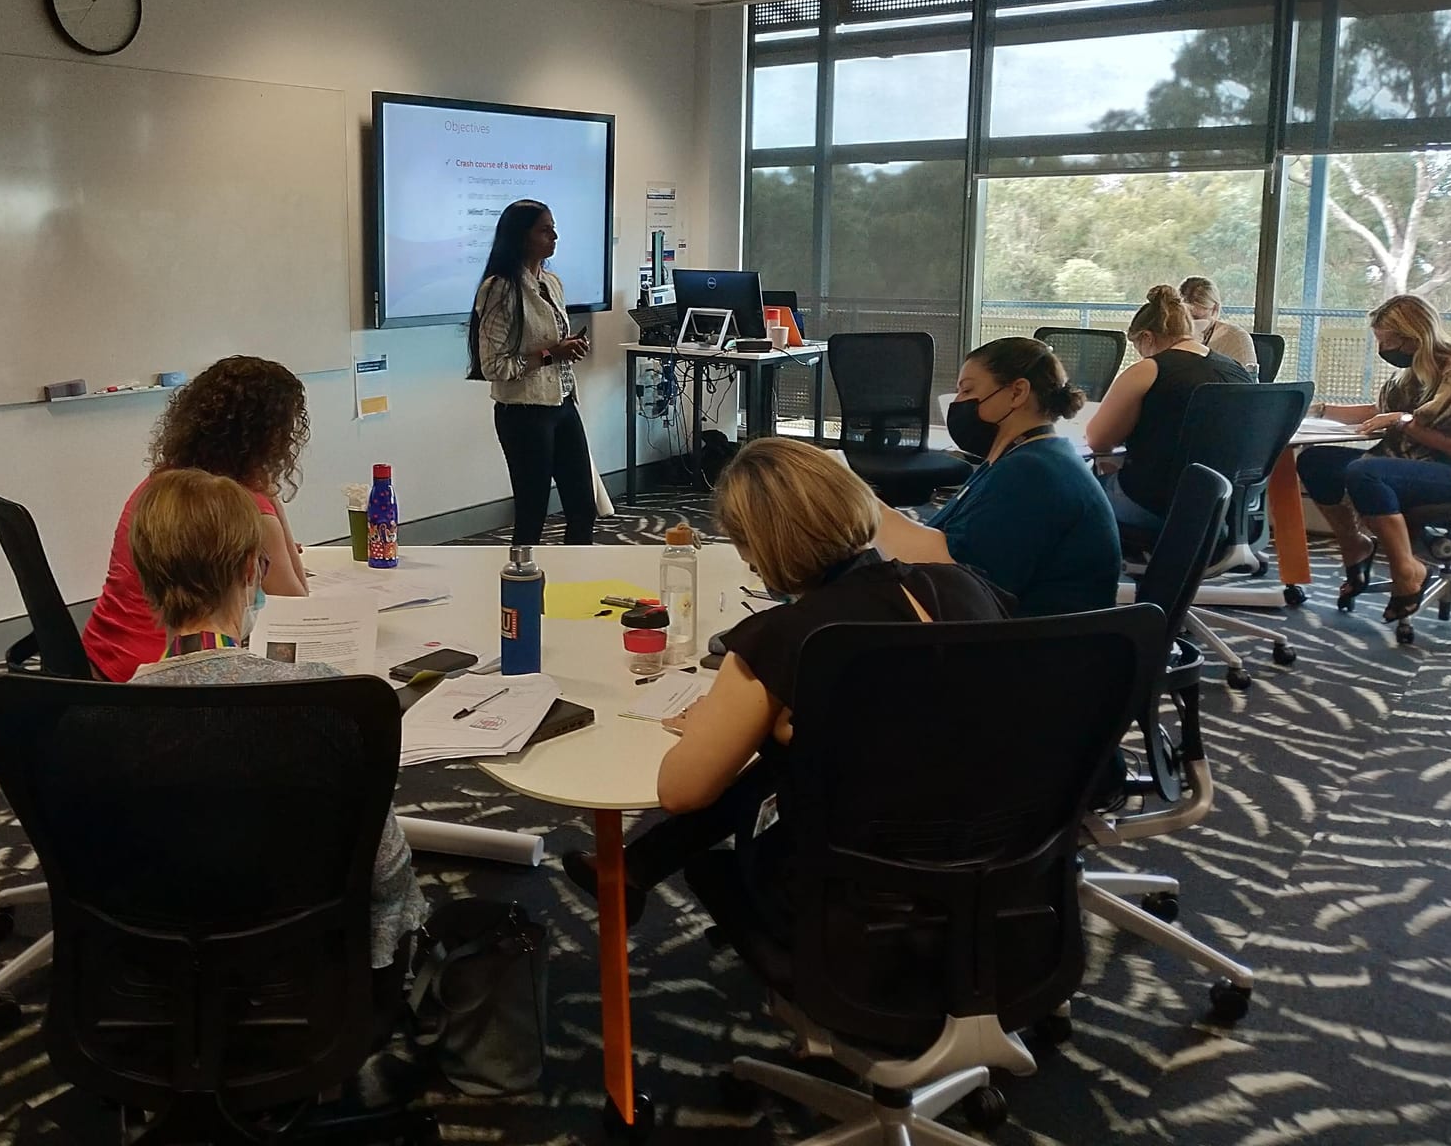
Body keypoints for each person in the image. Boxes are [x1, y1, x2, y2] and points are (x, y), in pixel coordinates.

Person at [561, 438, 1011, 927]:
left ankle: (642, 870)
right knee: (793, 745)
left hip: (856, 887)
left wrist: (711, 726)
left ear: (759, 544)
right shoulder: (960, 584)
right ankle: (635, 867)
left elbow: (680, 792)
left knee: (751, 784)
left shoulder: (783, 639)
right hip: (1003, 845)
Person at [126, 468, 428, 974]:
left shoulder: (108, 717)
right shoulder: (326, 699)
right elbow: (387, 872)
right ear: (251, 570)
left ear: (146, 577)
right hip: (316, 971)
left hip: (161, 970)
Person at [82, 356, 310, 683]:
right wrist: (268, 492)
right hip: (171, 673)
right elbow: (296, 604)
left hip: (105, 655)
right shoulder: (249, 509)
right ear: (271, 439)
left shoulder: (161, 488)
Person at [875, 337, 1120, 615]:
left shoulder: (1032, 474)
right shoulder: (1030, 457)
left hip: (1031, 646)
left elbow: (954, 578)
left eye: (967, 390)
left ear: (1017, 393)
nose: (958, 403)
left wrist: (858, 505)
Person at [1298, 294, 1451, 623]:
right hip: (1418, 462)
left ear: (1412, 336)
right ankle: (1356, 546)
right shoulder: (1418, 368)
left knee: (1367, 473)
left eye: (1386, 340)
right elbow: (1382, 412)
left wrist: (1401, 421)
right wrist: (1314, 408)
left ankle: (1409, 570)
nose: (1382, 348)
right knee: (1316, 462)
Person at [469, 199, 597, 546]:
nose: (554, 235)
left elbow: (549, 342)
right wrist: (550, 354)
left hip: (563, 404)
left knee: (583, 507)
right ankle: (521, 589)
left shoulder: (552, 282)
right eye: (544, 229)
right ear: (521, 236)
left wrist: (567, 348)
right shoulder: (499, 289)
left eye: (553, 228)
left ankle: (576, 583)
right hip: (524, 414)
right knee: (532, 512)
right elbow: (494, 366)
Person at [1085, 284, 1253, 533]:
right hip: (1221, 505)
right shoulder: (1236, 370)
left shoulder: (1148, 370)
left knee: (1070, 490)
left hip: (1153, 504)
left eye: (1137, 346)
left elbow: (1098, 441)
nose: (1140, 354)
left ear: (1147, 338)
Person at [1180, 276, 1259, 374]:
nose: (1189, 324)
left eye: (1196, 318)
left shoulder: (1237, 339)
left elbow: (1245, 385)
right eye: (1182, 317)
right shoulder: (1170, 336)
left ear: (1215, 309)